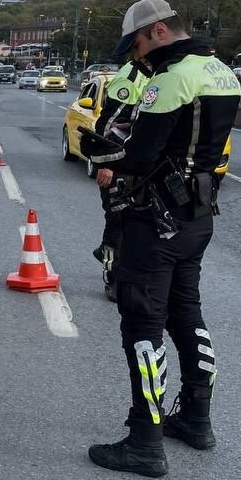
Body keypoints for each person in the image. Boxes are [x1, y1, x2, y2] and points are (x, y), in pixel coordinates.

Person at [83, 0, 241, 477]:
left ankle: (144, 441)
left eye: (137, 46)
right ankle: (196, 418)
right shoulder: (220, 71)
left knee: (142, 326)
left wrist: (103, 156)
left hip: (156, 220)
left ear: (156, 33)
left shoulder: (171, 78)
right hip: (198, 216)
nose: (136, 58)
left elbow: (141, 154)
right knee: (186, 313)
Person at [92, 58, 150, 301]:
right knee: (118, 220)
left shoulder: (161, 72)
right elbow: (106, 123)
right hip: (119, 162)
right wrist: (105, 164)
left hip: (143, 163)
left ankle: (121, 264)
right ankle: (113, 276)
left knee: (139, 224)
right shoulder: (131, 76)